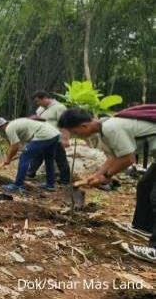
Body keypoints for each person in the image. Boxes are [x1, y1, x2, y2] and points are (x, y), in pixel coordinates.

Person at [58, 107, 155, 263]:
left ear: (84, 126)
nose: (76, 136)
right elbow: (112, 158)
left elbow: (128, 159)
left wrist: (106, 176)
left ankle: (154, 249)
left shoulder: (111, 127)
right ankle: (142, 226)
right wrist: (96, 175)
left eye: (75, 132)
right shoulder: (104, 129)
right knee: (145, 185)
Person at [0, 117, 60, 192]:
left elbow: (15, 146)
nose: (1, 131)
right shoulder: (15, 123)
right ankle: (50, 185)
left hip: (43, 134)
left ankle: (17, 185)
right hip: (54, 133)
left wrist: (8, 159)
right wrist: (18, 153)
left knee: (24, 158)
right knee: (49, 159)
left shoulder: (9, 128)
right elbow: (22, 145)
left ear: (1, 126)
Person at [26, 91, 71, 186]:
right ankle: (30, 173)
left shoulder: (59, 107)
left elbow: (66, 123)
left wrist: (65, 138)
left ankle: (65, 181)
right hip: (42, 137)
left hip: (56, 138)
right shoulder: (40, 109)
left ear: (45, 98)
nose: (37, 104)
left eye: (38, 101)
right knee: (37, 156)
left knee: (60, 159)